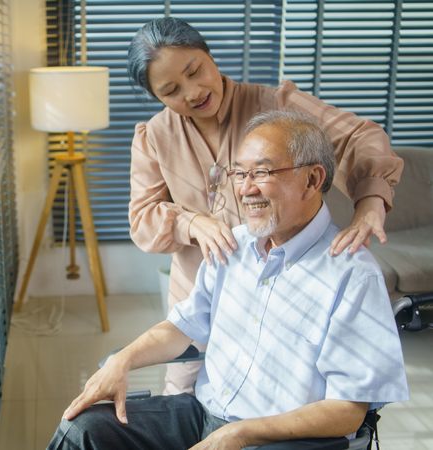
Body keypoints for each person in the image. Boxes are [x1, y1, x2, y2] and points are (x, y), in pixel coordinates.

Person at [48, 111, 409, 450]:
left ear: (312, 179)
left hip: (278, 439)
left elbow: (347, 409)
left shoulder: (351, 275)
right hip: (206, 415)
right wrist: (122, 361)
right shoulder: (233, 246)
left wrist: (239, 433)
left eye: (261, 173)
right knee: (84, 430)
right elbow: (181, 327)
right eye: (239, 174)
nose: (245, 189)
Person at [127, 17, 404, 394]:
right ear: (157, 97)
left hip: (286, 295)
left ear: (209, 54)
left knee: (275, 399)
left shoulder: (277, 106)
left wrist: (370, 201)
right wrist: (190, 223)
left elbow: (360, 137)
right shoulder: (155, 136)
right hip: (199, 296)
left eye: (195, 71)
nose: (192, 92)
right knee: (183, 393)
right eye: (172, 90)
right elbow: (143, 218)